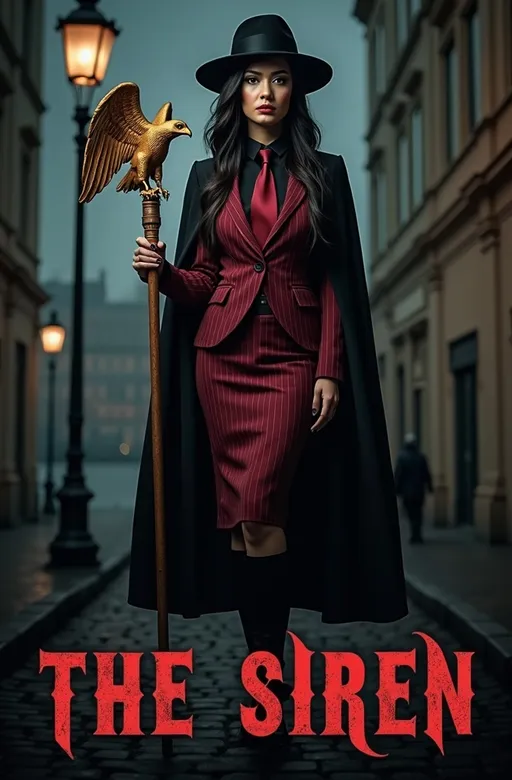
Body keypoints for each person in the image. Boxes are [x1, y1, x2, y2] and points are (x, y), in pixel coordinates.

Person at [129, 14, 408, 744]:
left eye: (280, 80)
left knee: (262, 511)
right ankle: (267, 672)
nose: (267, 92)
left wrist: (329, 372)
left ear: (295, 93)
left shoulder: (327, 174)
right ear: (235, 91)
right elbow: (203, 280)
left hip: (290, 365)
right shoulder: (202, 176)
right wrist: (164, 275)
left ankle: (265, 672)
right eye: (253, 79)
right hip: (218, 363)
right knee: (245, 523)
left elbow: (338, 283)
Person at [394, 433, 433, 544]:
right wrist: (430, 487)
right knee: (418, 513)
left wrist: (396, 489)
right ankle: (417, 534)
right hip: (419, 490)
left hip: (407, 491)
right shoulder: (420, 457)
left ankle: (414, 534)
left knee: (411, 513)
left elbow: (398, 475)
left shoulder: (402, 457)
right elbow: (426, 474)